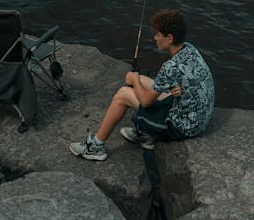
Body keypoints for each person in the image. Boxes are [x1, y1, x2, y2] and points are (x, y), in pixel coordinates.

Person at [69, 8, 215, 161]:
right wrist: (142, 81)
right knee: (143, 81)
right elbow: (186, 77)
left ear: (170, 38)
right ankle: (145, 134)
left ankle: (95, 147)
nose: (155, 38)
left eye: (158, 34)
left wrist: (133, 80)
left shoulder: (170, 67)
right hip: (199, 119)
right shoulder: (190, 48)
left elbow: (145, 102)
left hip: (182, 128)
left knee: (123, 94)